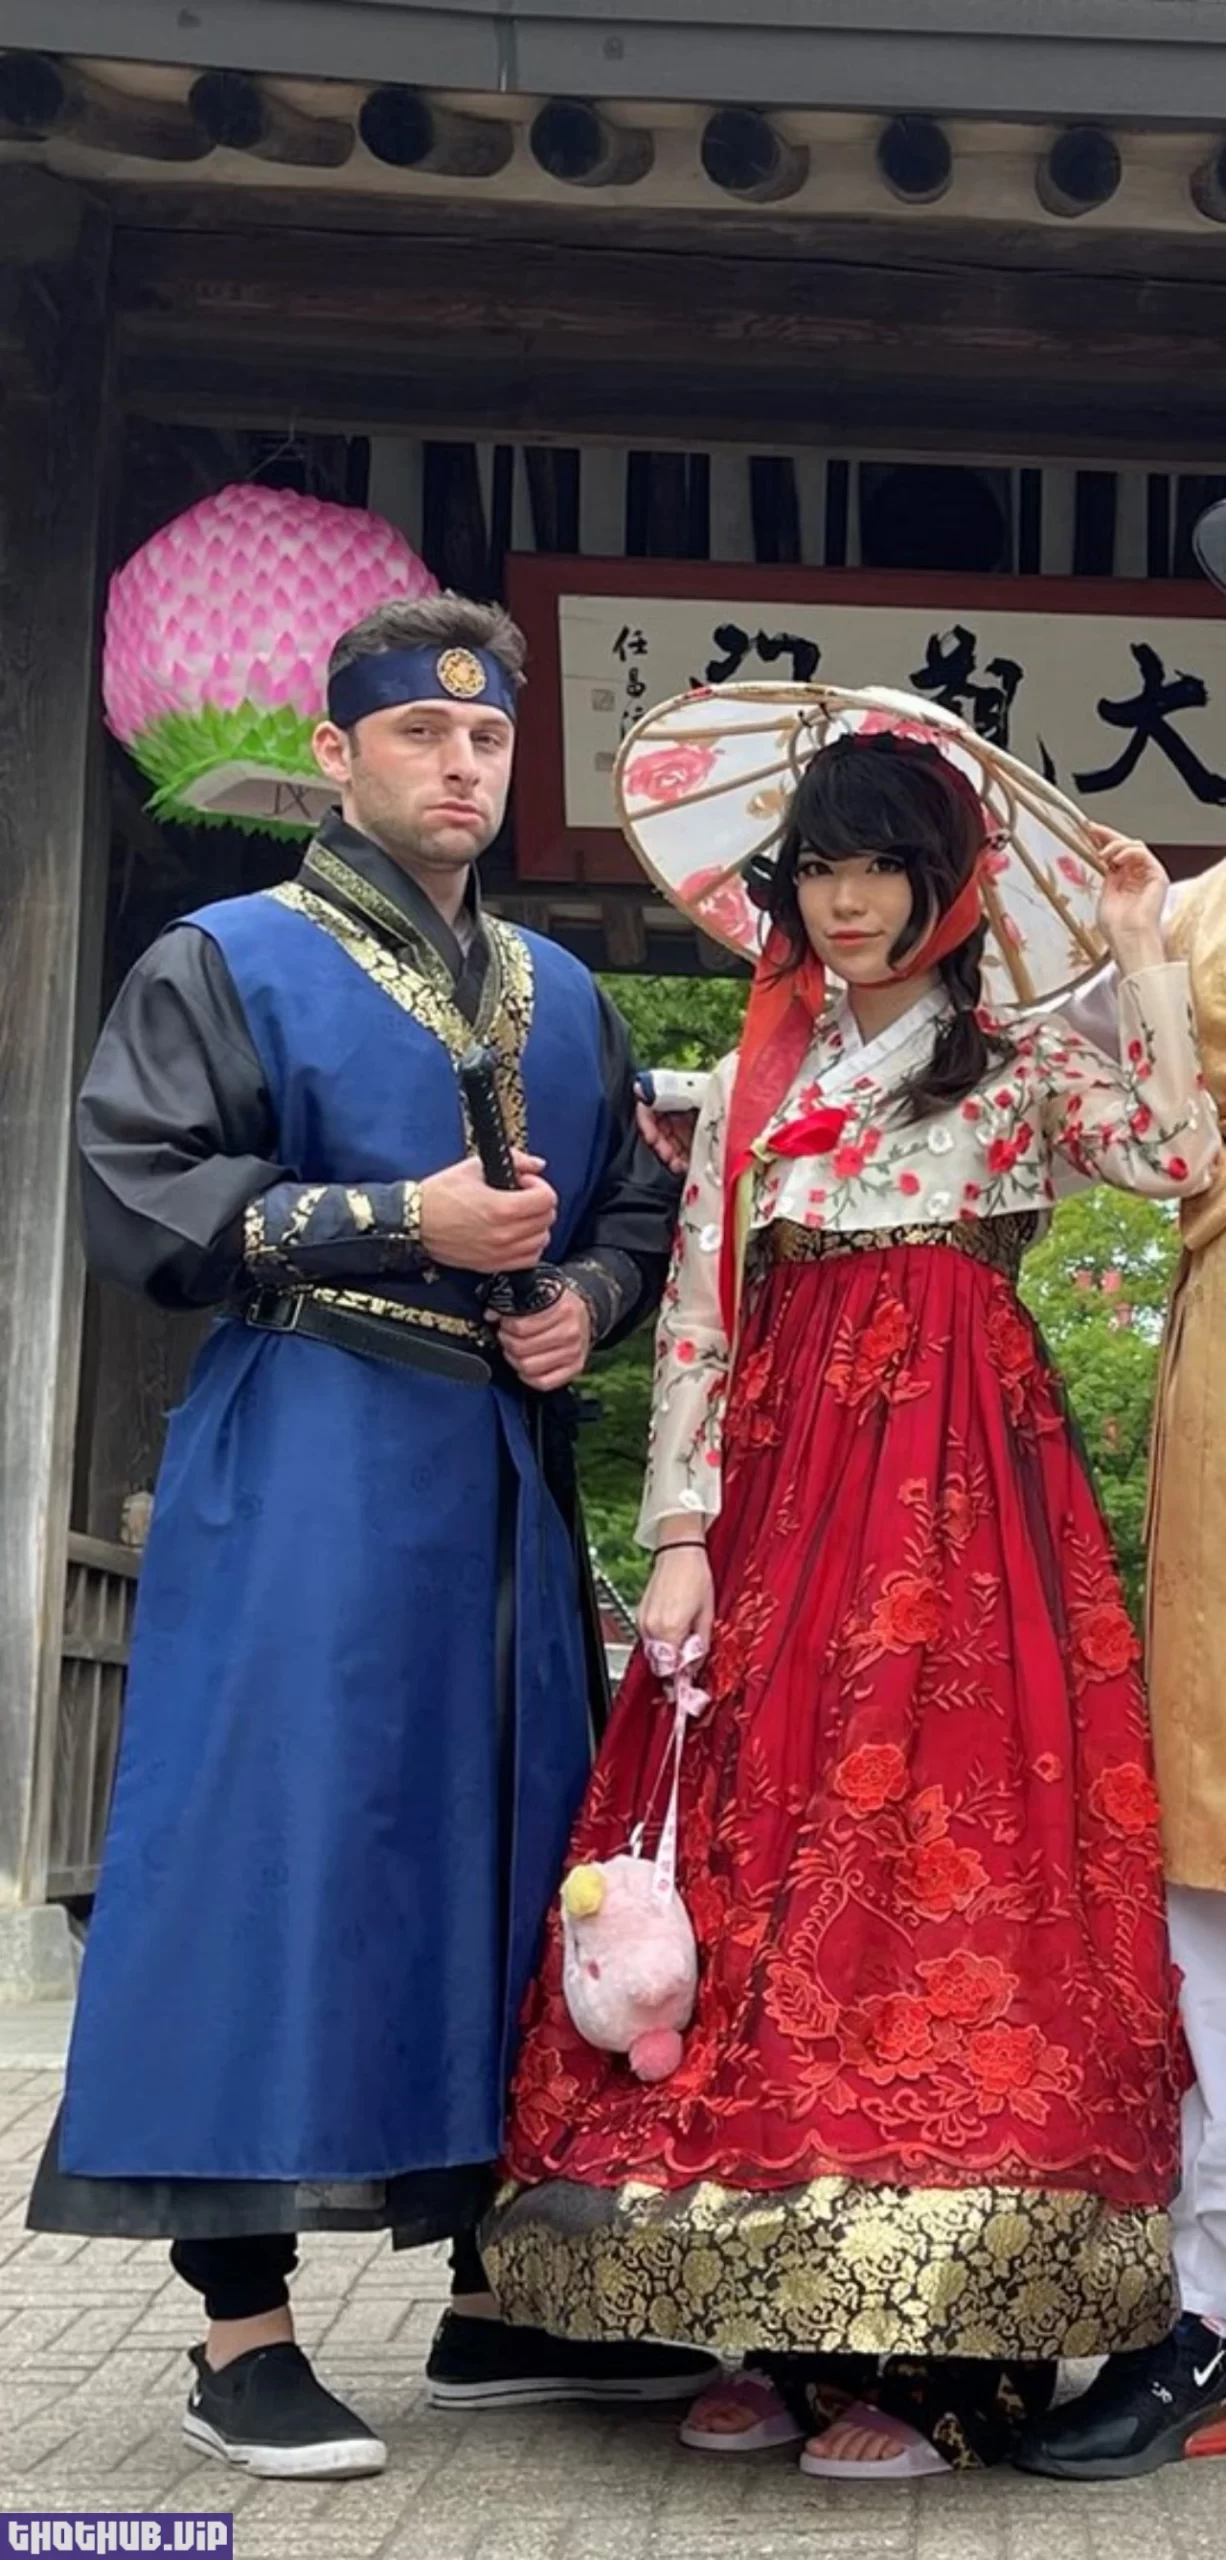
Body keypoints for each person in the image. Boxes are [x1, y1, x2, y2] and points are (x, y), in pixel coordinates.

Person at [27, 591, 717, 2477]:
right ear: (338, 754)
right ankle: (239, 2332)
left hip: (494, 1472)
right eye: (421, 732)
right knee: (274, 1843)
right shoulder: (226, 956)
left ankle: (501, 2300)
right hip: (309, 1451)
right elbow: (141, 1194)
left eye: (487, 738)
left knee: (514, 1854)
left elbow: (636, 1215)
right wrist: (400, 1215)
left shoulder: (561, 990)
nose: (460, 765)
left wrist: (586, 1298)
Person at [482, 726, 1221, 2483]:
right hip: (783, 1488)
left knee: (930, 1869)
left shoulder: (1018, 1065)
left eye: (882, 863)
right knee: (765, 1857)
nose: (848, 898)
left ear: (946, 886)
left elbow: (1179, 1158)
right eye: (819, 866)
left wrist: (1134, 953)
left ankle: (937, 2363)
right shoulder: (758, 1080)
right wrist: (679, 1531)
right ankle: (767, 2321)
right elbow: (697, 1317)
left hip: (966, 1504)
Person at [1015, 501, 1226, 2479]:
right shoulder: (1198, 913)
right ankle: (1213, 2304)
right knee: (1214, 1839)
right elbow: (1108, 1133)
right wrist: (1136, 951)